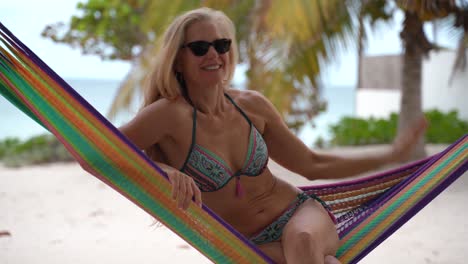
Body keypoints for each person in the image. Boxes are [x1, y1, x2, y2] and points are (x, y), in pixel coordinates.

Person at [119, 7, 427, 264]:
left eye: (222, 45)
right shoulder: (168, 115)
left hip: (300, 217)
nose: (214, 54)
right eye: (200, 48)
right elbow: (105, 151)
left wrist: (390, 156)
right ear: (178, 61)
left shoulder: (251, 106)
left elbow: (312, 164)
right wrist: (163, 169)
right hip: (244, 244)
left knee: (304, 241)